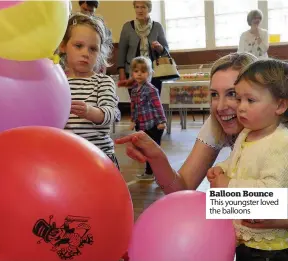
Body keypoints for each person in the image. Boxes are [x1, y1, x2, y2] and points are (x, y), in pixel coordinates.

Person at [115, 52, 288, 232]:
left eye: (233, 94)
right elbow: (183, 189)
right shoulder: (217, 121)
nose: (220, 106)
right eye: (214, 94)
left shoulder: (280, 138)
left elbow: (263, 208)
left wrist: (228, 192)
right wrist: (156, 156)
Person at [208, 59, 288, 260]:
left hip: (269, 248)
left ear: (280, 105)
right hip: (244, 238)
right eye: (239, 98)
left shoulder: (280, 143)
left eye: (250, 100)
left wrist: (228, 187)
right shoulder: (247, 133)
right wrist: (221, 168)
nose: (240, 108)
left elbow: (272, 193)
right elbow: (239, 161)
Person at [59, 13, 119, 170]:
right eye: (78, 46)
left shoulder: (103, 82)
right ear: (63, 46)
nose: (85, 53)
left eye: (93, 49)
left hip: (99, 159)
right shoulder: (57, 81)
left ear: (100, 53)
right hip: (66, 159)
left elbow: (111, 113)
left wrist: (90, 111)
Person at [117, 0, 169, 95]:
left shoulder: (157, 27)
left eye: (143, 7)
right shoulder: (127, 27)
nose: (140, 10)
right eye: (137, 7)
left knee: (153, 101)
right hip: (134, 72)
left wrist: (159, 47)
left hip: (154, 73)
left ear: (149, 9)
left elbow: (166, 51)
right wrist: (122, 73)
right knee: (137, 102)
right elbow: (121, 52)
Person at [129, 56, 166, 180]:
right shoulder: (134, 90)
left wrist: (162, 121)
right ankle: (150, 172)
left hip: (154, 125)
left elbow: (158, 106)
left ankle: (157, 172)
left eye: (143, 71)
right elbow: (134, 107)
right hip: (142, 125)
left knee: (153, 151)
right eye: (136, 71)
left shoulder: (151, 89)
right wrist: (133, 121)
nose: (139, 74)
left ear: (149, 73)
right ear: (132, 73)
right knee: (145, 149)